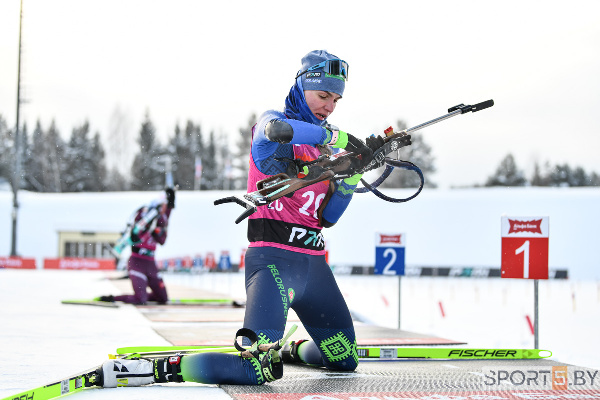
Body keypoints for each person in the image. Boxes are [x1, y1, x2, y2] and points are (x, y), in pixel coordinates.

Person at [95, 50, 385, 387]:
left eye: (336, 99)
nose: (330, 106)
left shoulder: (328, 152)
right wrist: (337, 138)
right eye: (323, 95)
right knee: (256, 370)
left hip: (315, 267)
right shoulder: (272, 123)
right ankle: (155, 369)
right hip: (275, 262)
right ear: (302, 87)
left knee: (345, 361)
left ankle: (289, 350)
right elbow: (278, 130)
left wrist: (351, 177)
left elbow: (329, 217)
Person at [97, 188, 175, 305]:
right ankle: (112, 298)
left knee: (163, 298)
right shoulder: (145, 214)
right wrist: (146, 225)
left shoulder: (162, 219)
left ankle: (145, 295)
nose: (164, 209)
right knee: (140, 300)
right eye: (163, 206)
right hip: (137, 262)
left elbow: (163, 237)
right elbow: (134, 234)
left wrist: (171, 200)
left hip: (151, 264)